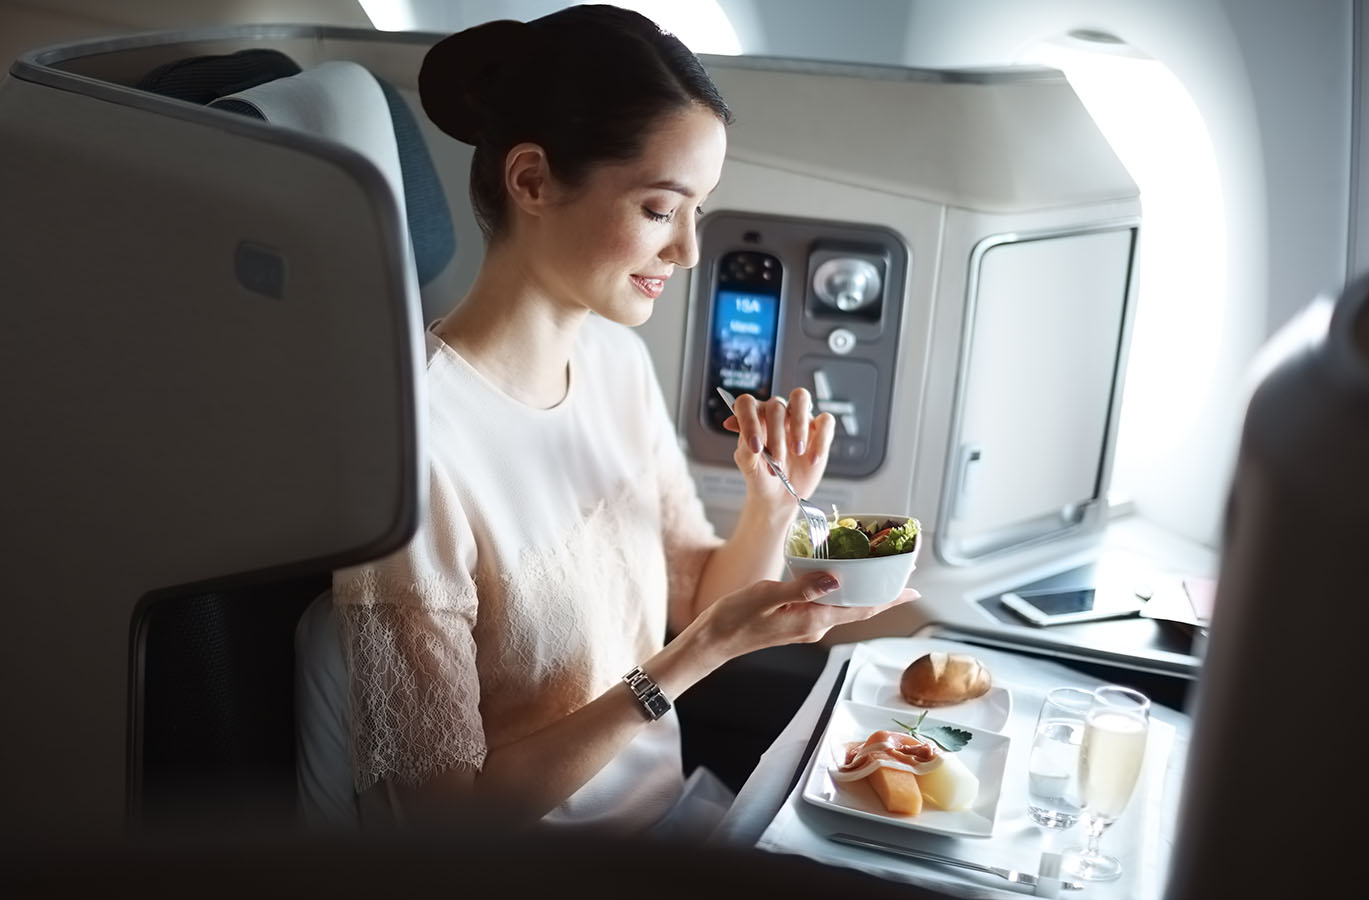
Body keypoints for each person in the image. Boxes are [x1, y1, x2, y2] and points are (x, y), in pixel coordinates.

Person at [296, 4, 916, 839]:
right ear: (532, 181)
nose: (691, 250)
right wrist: (691, 659)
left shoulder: (616, 367)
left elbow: (701, 595)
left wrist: (771, 506)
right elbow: (446, 824)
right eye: (662, 209)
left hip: (675, 824)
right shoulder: (420, 448)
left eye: (699, 210)